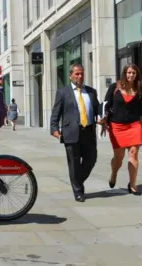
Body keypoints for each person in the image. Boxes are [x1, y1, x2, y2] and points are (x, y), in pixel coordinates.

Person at [50, 63, 101, 202]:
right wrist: (54, 128)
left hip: (88, 131)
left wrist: (103, 117)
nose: (80, 76)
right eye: (77, 74)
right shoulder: (63, 92)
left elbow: (97, 109)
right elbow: (56, 112)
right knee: (74, 163)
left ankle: (77, 181)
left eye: (82, 74)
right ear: (70, 75)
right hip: (71, 132)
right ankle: (78, 191)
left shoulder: (91, 91)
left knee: (91, 159)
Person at [102, 63, 142, 195]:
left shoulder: (140, 90)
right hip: (117, 126)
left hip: (134, 125)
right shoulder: (114, 87)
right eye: (128, 72)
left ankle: (133, 184)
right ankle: (114, 173)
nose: (131, 75)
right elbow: (106, 105)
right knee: (119, 157)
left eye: (133, 73)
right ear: (124, 73)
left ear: (136, 75)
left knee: (133, 154)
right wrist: (103, 120)